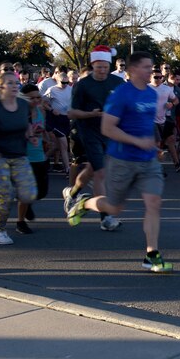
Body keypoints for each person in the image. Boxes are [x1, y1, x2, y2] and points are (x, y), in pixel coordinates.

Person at [65, 52, 174, 272]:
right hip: (122, 159)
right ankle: (84, 203)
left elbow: (146, 125)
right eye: (145, 67)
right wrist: (136, 141)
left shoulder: (152, 95)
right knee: (115, 207)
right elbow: (107, 128)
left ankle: (151, 255)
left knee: (153, 203)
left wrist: (153, 145)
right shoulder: (120, 94)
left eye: (151, 67)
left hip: (147, 161)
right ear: (132, 71)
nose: (150, 71)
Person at [66, 46, 125, 232]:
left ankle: (73, 192)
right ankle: (106, 217)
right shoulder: (82, 85)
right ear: (93, 65)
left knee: (93, 168)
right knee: (101, 173)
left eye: (106, 66)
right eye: (99, 67)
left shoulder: (117, 82)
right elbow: (71, 113)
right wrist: (90, 114)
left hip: (110, 132)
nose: (103, 70)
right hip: (89, 131)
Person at [0, 72, 37, 245]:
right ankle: (0, 230)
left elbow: (26, 124)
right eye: (10, 83)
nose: (15, 86)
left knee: (29, 195)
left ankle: (15, 195)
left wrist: (30, 135)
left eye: (16, 83)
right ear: (1, 87)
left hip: (19, 155)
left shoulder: (23, 105)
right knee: (7, 195)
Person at [16, 83, 48, 234]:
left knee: (42, 192)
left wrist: (44, 135)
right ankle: (20, 222)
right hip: (23, 157)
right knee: (26, 193)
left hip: (39, 155)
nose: (36, 100)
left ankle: (27, 205)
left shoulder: (40, 110)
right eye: (32, 98)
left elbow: (42, 130)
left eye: (38, 97)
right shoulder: (18, 112)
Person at [43, 69, 73, 176]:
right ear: (58, 81)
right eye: (62, 82)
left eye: (66, 82)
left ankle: (42, 159)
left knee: (57, 146)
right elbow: (43, 103)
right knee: (64, 144)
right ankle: (68, 169)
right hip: (56, 119)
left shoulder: (71, 89)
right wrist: (51, 110)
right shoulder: (52, 90)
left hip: (66, 119)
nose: (65, 84)